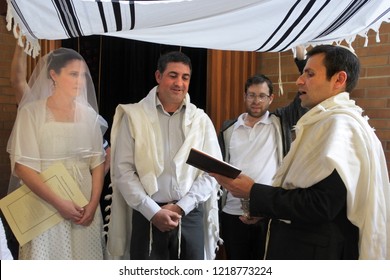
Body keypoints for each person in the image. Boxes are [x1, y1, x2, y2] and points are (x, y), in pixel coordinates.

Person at [211, 44, 390, 260]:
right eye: (303, 72)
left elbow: (321, 205)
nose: (299, 81)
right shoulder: (324, 121)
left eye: (310, 73)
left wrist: (253, 191)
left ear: (339, 80)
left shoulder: (340, 126)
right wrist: (265, 208)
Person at [106, 51, 222, 260]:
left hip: (189, 214)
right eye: (173, 75)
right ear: (158, 77)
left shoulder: (200, 120)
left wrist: (181, 206)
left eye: (185, 77)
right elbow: (123, 171)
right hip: (147, 214)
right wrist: (153, 211)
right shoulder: (134, 116)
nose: (179, 83)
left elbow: (213, 172)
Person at [7, 43, 107, 259]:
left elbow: (98, 162)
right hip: (45, 202)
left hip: (83, 202)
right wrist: (59, 204)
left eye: (82, 75)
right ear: (54, 75)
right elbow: (23, 167)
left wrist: (93, 203)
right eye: (73, 74)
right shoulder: (32, 112)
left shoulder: (89, 115)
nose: (80, 81)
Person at [218, 47, 307, 260]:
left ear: (270, 98)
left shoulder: (281, 121)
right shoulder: (228, 129)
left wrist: (301, 59)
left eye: (261, 96)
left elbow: (302, 98)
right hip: (232, 212)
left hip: (268, 210)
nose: (256, 101)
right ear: (244, 96)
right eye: (251, 95)